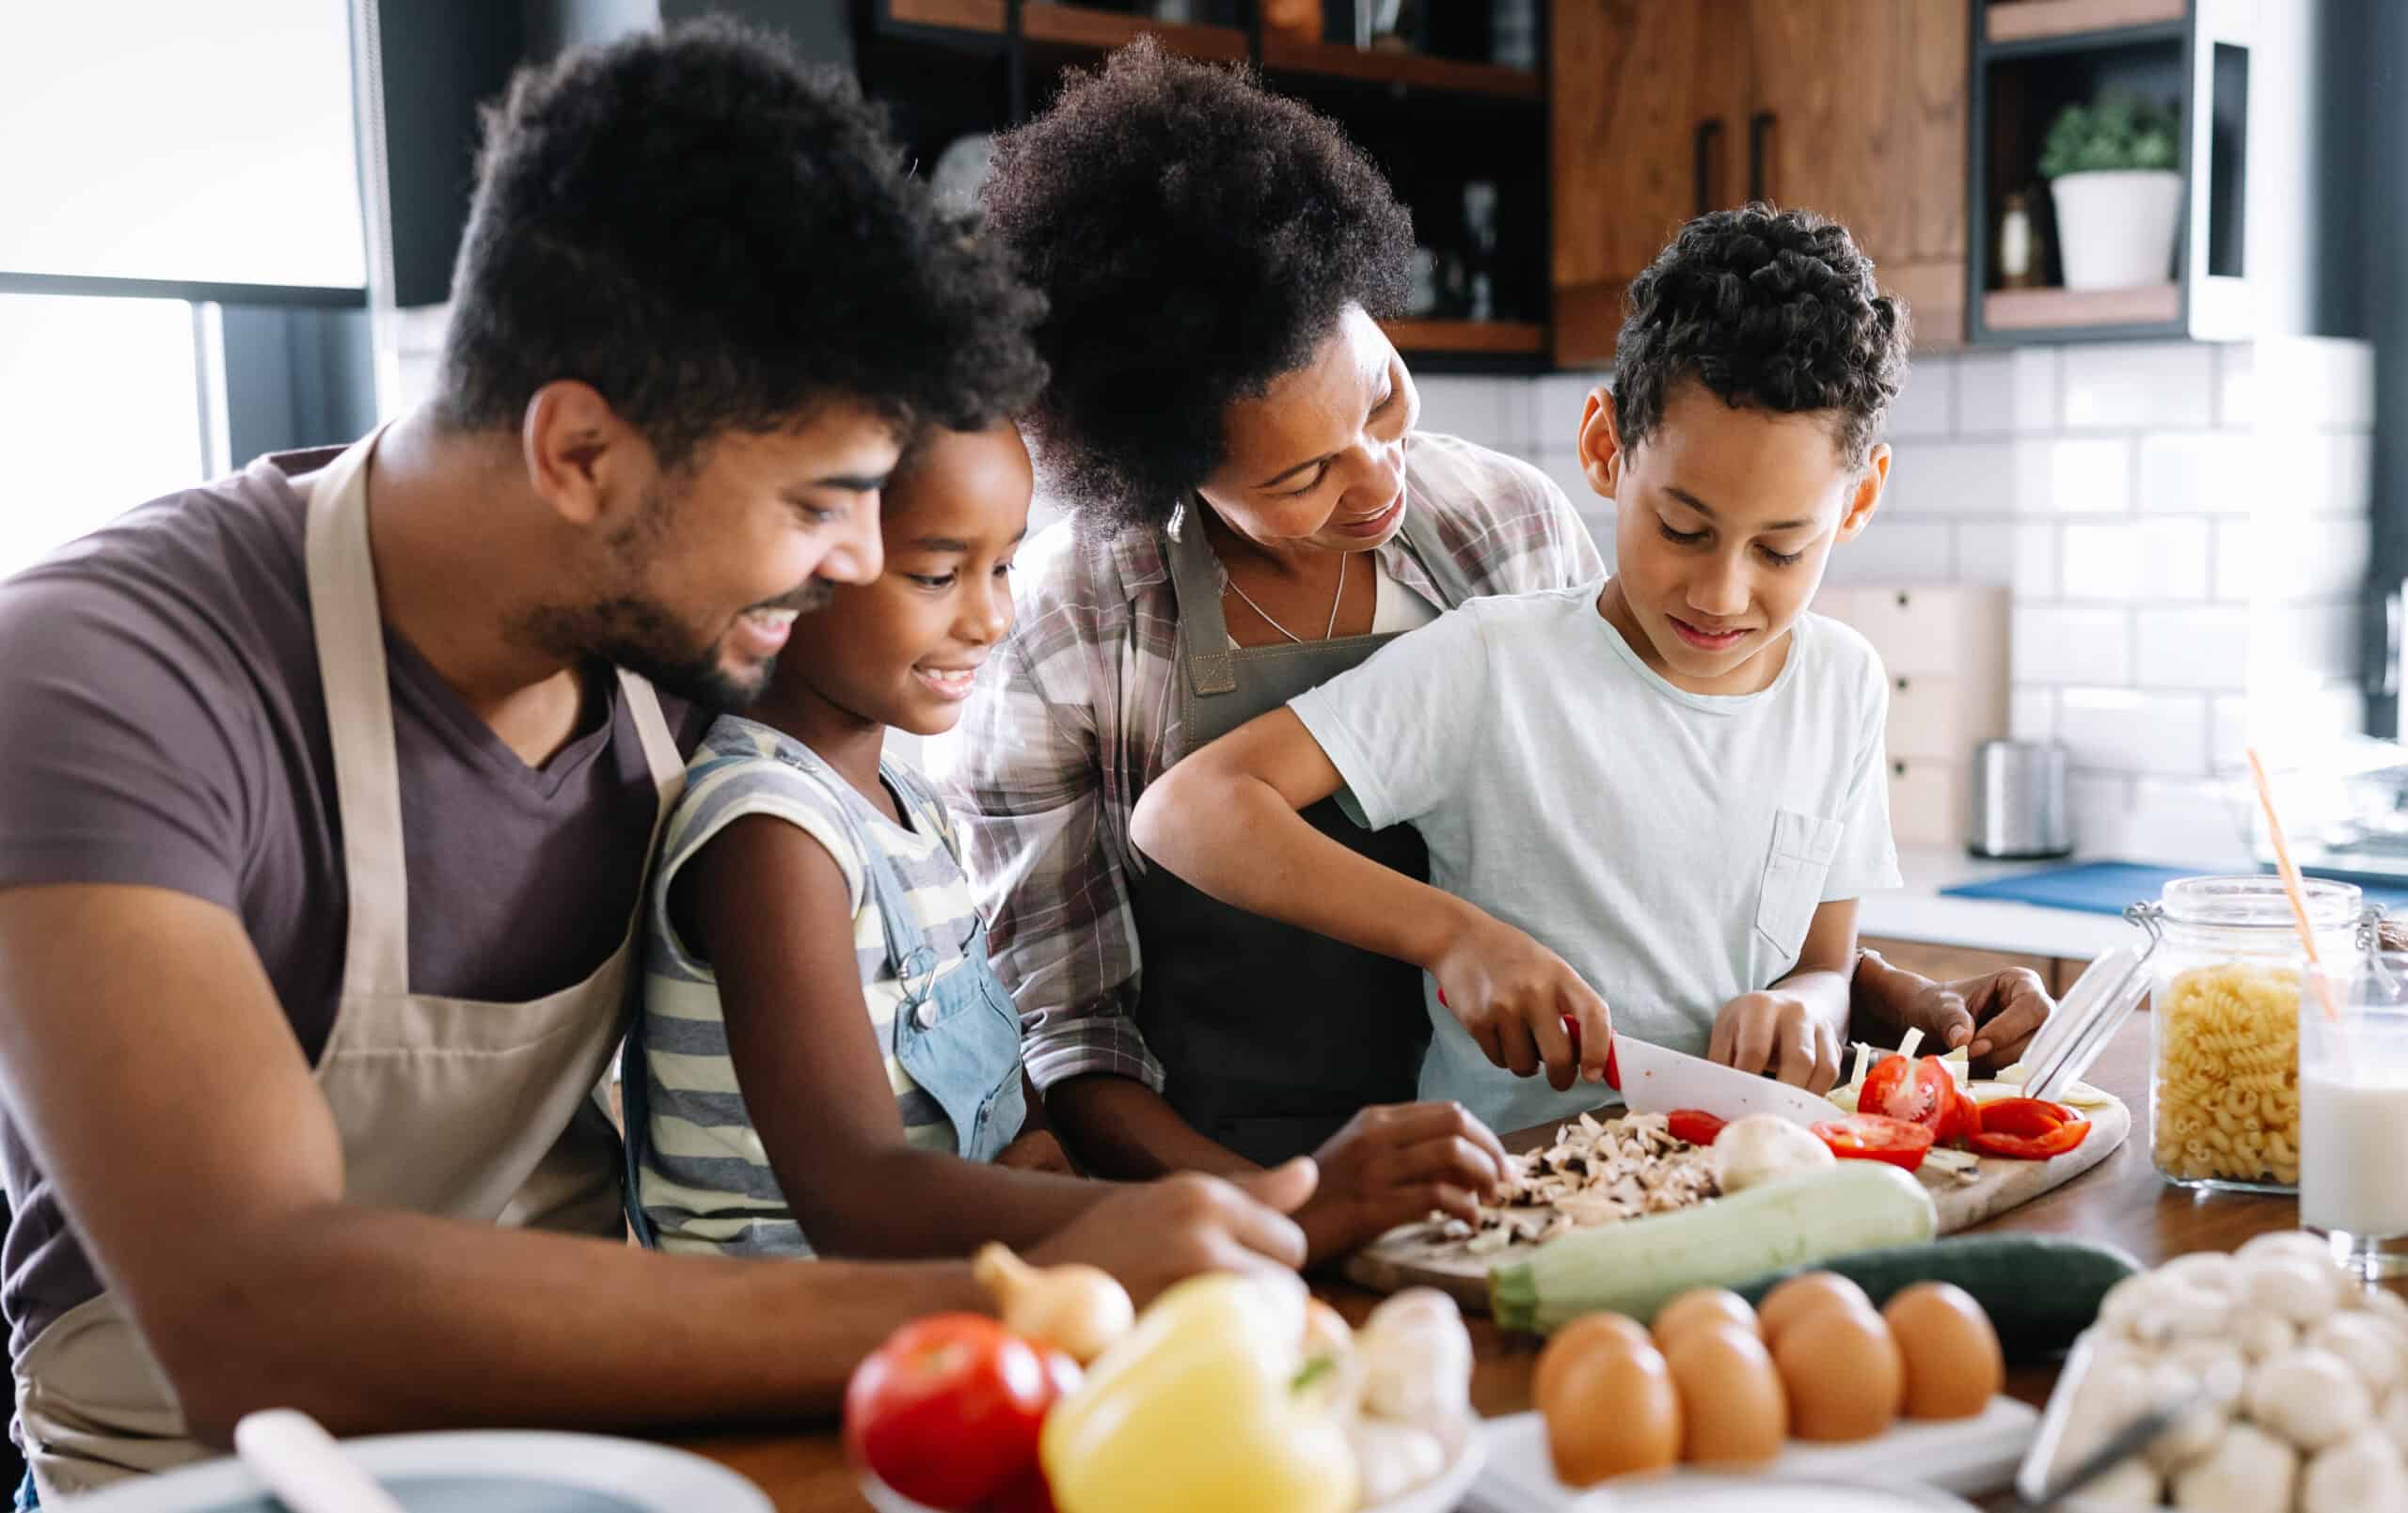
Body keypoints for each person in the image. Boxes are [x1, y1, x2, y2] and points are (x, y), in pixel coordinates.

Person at [0, 24, 1309, 1500]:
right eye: (821, 504)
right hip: (207, 1478)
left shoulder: (680, 653)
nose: (855, 566)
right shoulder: (94, 675)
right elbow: (260, 1316)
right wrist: (1024, 1291)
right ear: (577, 454)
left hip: (597, 1453)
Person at [934, 48, 2052, 1229]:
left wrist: (1856, 989)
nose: (1380, 484)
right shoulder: (1071, 623)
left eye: (1381, 400)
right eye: (1306, 472)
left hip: (1518, 1165)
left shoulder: (1499, 524)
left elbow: (1633, 840)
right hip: (1223, 1176)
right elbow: (1070, 1035)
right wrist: (1281, 1211)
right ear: (1167, 465)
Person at [1132, 206, 1993, 1134]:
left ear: (1857, 502)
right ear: (1603, 449)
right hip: (1518, 1193)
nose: (1720, 591)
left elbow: (1824, 960)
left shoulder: (1845, 683)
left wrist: (1806, 1010)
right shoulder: (1492, 664)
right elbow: (1185, 813)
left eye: (1780, 550)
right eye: (1682, 528)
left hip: (1747, 1172)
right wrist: (1455, 938)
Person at [626, 419, 1229, 1259]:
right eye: (939, 575)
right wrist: (1175, 1216)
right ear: (783, 564)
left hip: (932, 1288)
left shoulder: (906, 800)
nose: (994, 617)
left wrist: (1042, 1157)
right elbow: (858, 1191)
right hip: (784, 1339)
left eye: (1004, 565)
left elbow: (993, 1074)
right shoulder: (770, 833)